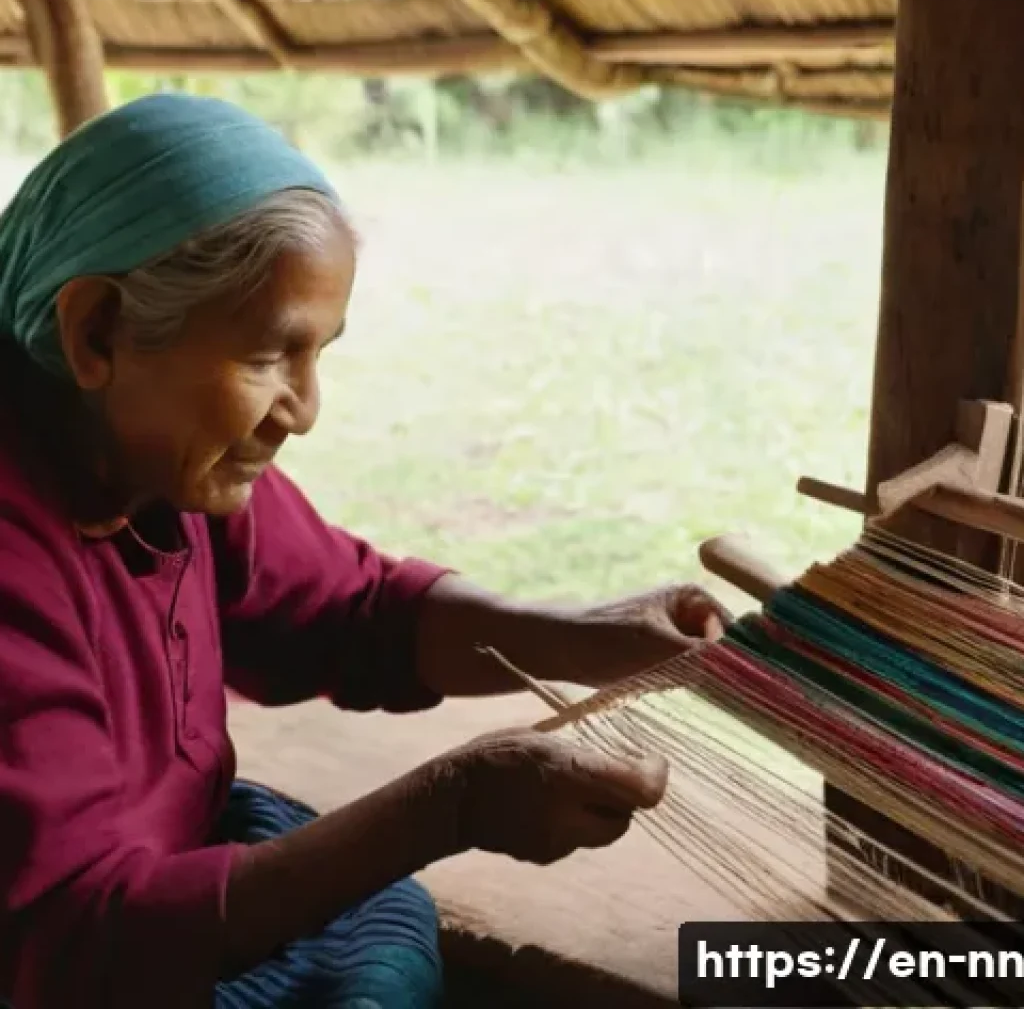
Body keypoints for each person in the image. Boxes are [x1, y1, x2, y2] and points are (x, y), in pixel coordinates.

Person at [0, 93, 729, 1009]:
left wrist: (582, 637)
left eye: (320, 357)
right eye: (272, 356)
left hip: (151, 889)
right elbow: (78, 943)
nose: (305, 411)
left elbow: (353, 611)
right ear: (97, 332)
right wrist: (453, 804)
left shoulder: (157, 466)